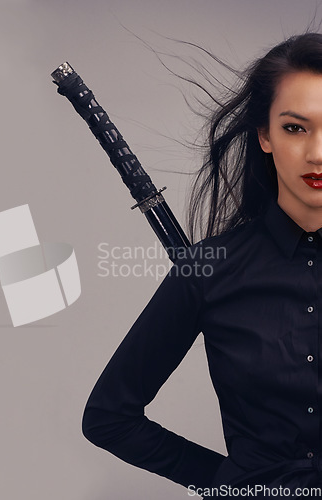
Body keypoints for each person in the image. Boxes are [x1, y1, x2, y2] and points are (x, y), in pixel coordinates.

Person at [82, 33, 322, 498]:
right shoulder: (209, 271)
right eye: (296, 128)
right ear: (265, 136)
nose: (318, 153)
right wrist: (230, 485)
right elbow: (108, 417)